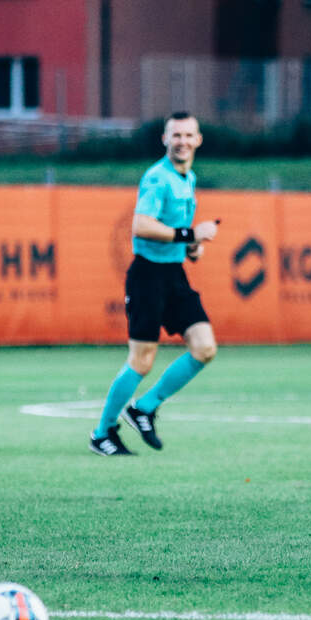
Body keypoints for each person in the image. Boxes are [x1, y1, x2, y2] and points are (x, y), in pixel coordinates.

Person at [89, 112, 220, 456]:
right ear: (165, 139)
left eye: (188, 135)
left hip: (174, 274)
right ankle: (102, 433)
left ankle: (144, 408)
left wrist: (192, 247)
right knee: (142, 360)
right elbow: (141, 225)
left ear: (198, 140)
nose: (182, 141)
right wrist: (190, 234)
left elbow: (176, 234)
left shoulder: (188, 177)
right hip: (147, 275)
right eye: (176, 135)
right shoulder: (157, 177)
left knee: (205, 348)